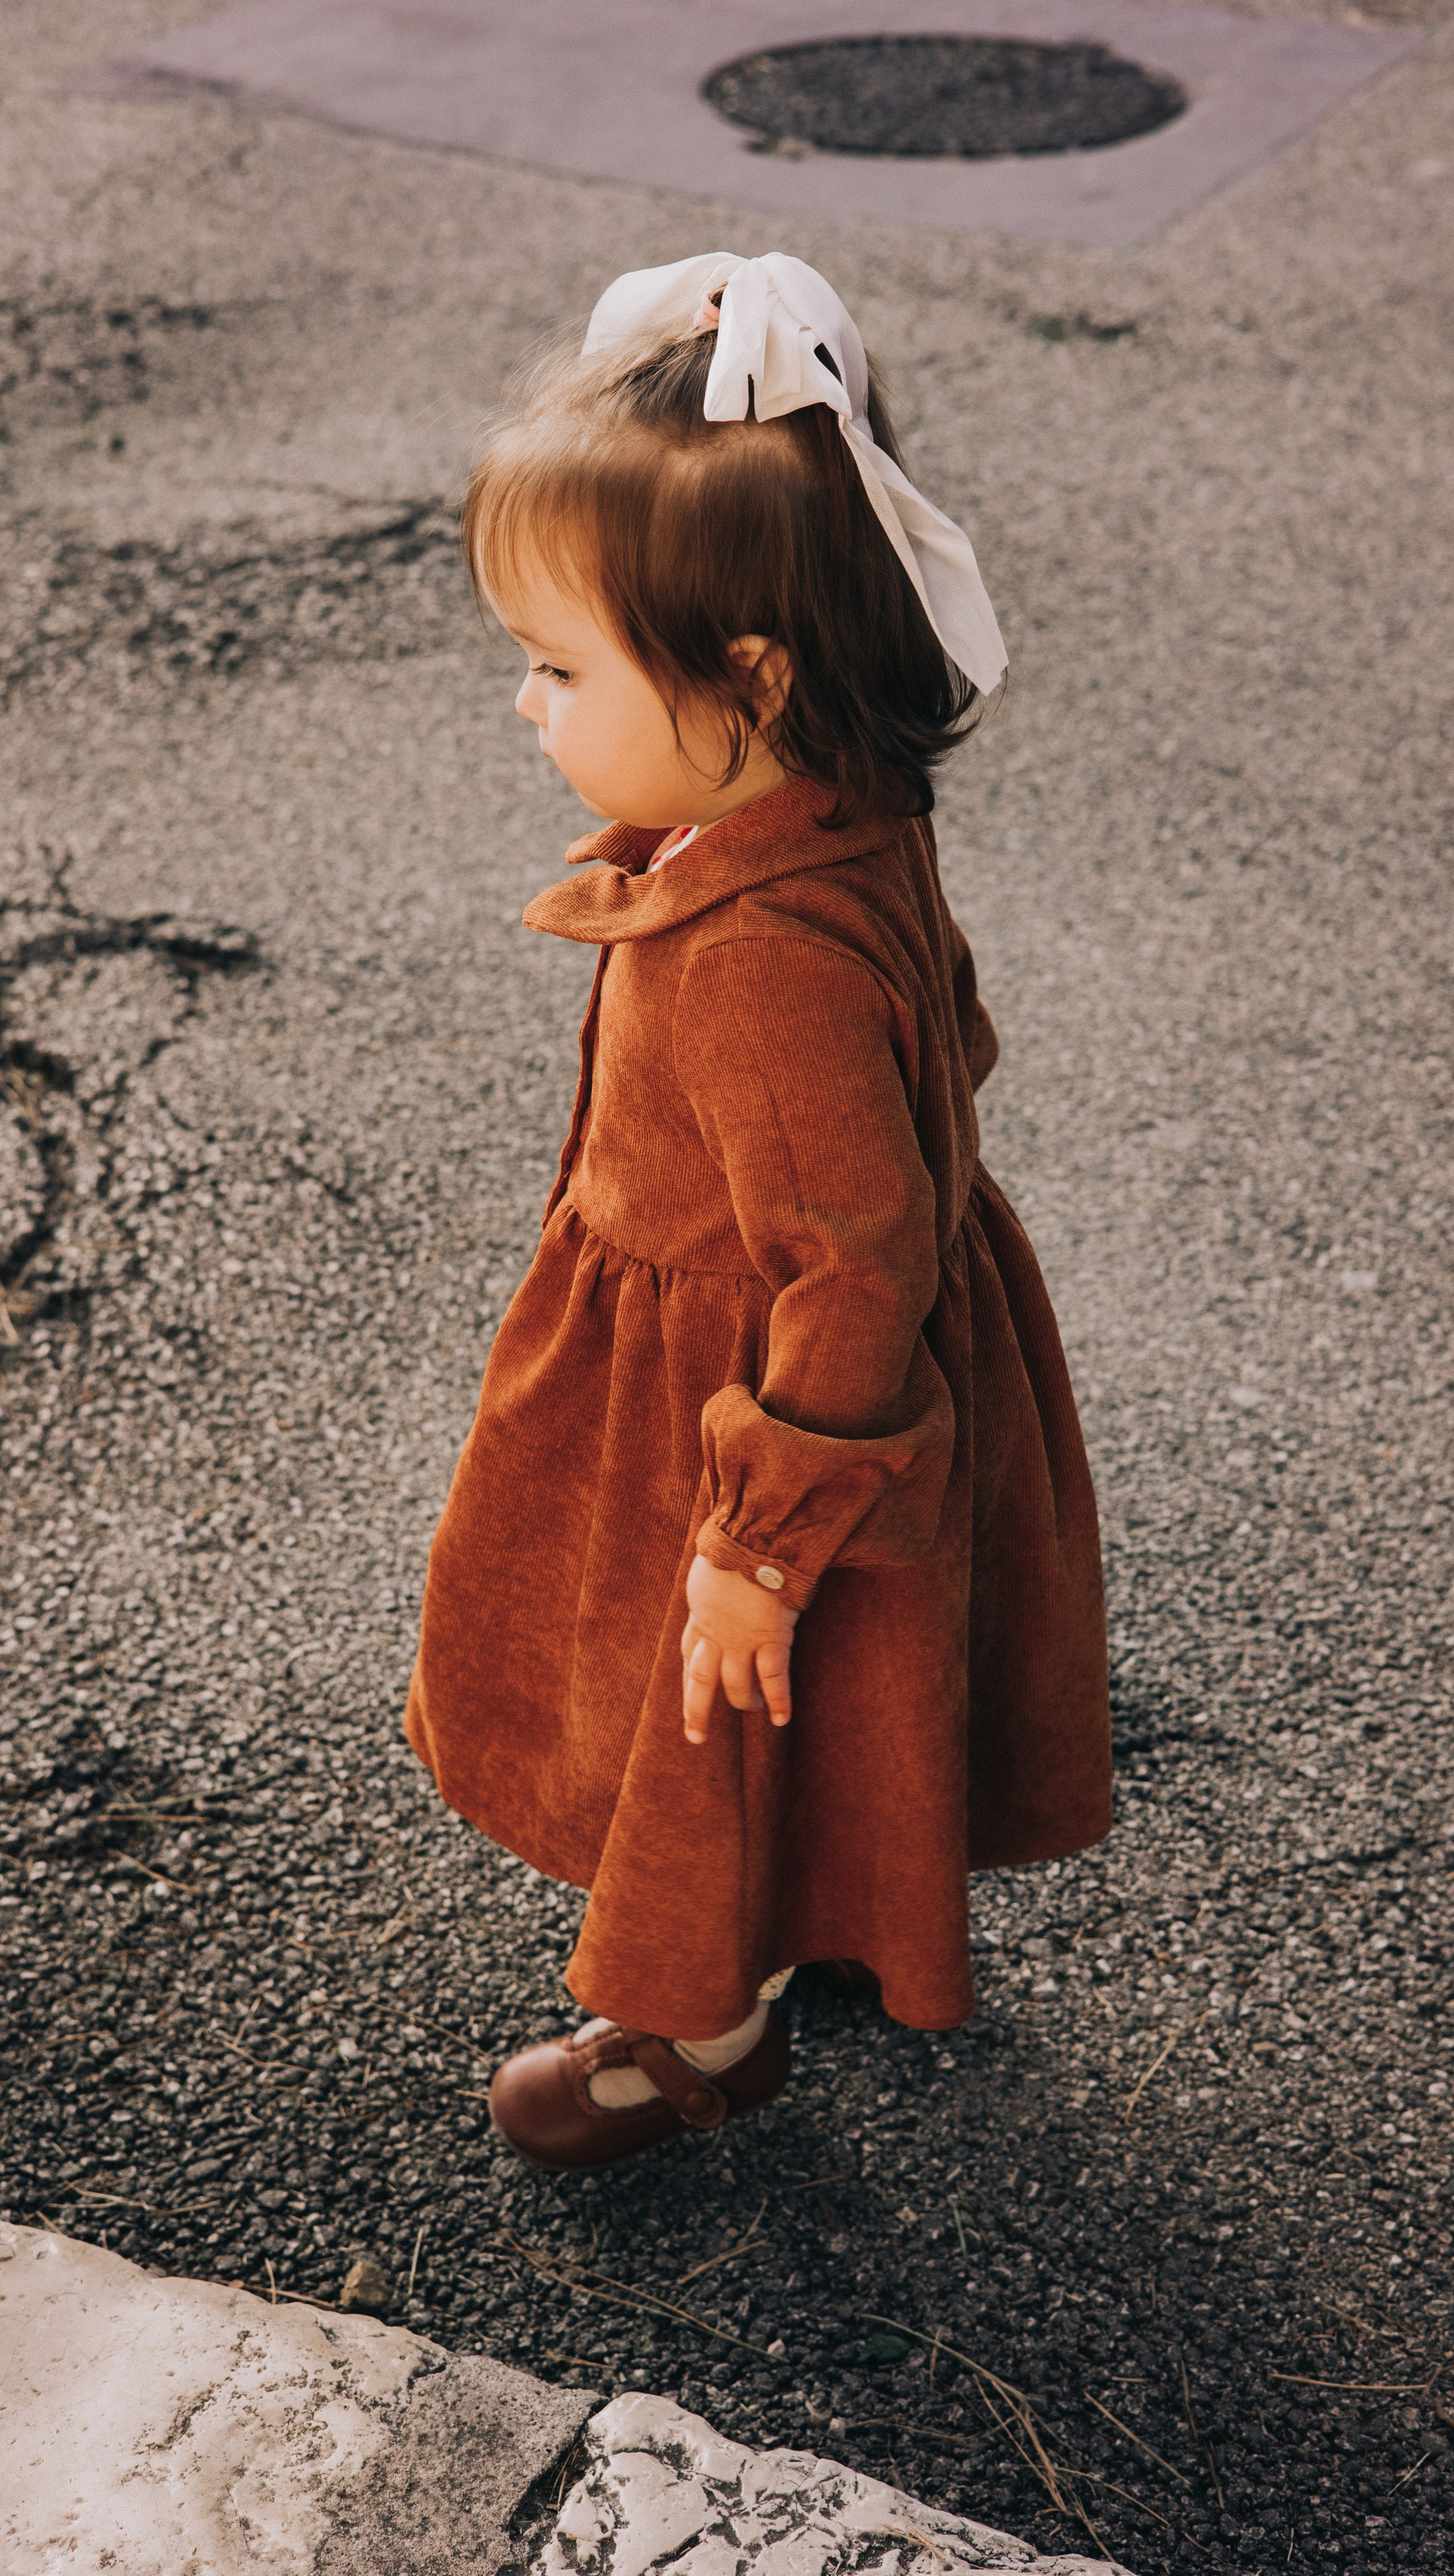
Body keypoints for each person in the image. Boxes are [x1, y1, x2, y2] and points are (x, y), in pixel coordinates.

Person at [406, 252, 1111, 2174]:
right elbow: (948, 1050)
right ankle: (852, 1919)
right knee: (856, 1695)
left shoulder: (751, 959)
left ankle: (695, 2028)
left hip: (765, 1396)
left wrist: (759, 1534)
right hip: (855, 1361)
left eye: (560, 668)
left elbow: (850, 1249)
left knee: (707, 1688)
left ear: (749, 682)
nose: (525, 705)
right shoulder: (828, 816)